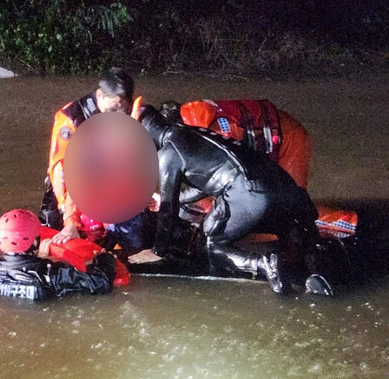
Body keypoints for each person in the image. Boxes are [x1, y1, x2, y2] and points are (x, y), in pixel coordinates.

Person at [137, 105, 331, 295]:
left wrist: (158, 251)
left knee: (212, 243)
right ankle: (316, 268)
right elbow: (205, 181)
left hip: (252, 194)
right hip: (287, 188)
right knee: (297, 233)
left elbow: (168, 211)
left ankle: (265, 265)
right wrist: (167, 198)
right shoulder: (194, 133)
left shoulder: (167, 154)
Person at [42, 67, 154, 252]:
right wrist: (69, 219)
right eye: (112, 108)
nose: (115, 115)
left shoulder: (128, 115)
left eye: (122, 110)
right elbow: (61, 171)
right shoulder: (71, 119)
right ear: (100, 95)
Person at [160, 99, 311, 188]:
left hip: (288, 138)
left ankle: (332, 222)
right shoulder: (194, 115)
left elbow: (229, 174)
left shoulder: (213, 133)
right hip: (272, 130)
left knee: (295, 207)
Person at [0, 209, 115, 300]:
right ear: (36, 242)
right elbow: (100, 283)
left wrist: (38, 261)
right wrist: (105, 258)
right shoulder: (51, 274)